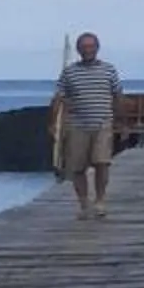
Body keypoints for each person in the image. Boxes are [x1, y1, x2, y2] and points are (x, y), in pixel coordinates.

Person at [52, 32, 122, 220]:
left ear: (97, 48)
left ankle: (100, 201)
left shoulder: (109, 70)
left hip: (103, 123)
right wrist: (52, 123)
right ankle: (84, 203)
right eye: (84, 47)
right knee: (78, 168)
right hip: (77, 125)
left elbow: (117, 96)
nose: (87, 50)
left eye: (91, 46)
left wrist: (121, 122)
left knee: (102, 163)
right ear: (78, 50)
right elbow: (59, 98)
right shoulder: (69, 72)